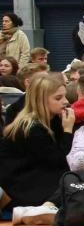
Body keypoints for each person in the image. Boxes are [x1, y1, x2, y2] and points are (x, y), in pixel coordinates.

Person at [0, 72, 72, 207]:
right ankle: (46, 206)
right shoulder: (30, 127)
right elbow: (57, 160)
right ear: (41, 100)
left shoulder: (53, 119)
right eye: (58, 98)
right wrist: (68, 130)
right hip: (20, 182)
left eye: (64, 96)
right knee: (68, 184)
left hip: (37, 174)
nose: (65, 101)